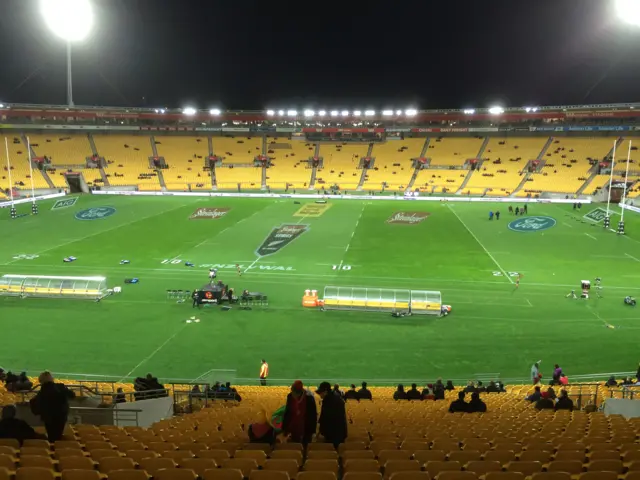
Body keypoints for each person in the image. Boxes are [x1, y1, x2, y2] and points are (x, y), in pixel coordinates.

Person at [29, 372, 75, 442]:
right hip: (60, 416)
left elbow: (35, 405)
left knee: (51, 436)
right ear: (52, 379)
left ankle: (53, 448)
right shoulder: (60, 387)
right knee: (58, 436)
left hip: (48, 417)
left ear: (41, 381)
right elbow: (72, 395)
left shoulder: (42, 393)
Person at [282, 380, 317, 445]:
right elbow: (287, 412)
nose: (293, 395)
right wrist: (285, 429)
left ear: (300, 392)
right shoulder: (290, 396)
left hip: (306, 428)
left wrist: (313, 431)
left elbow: (313, 415)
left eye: (294, 393)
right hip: (294, 427)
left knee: (305, 445)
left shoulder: (309, 398)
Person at [315, 382, 348, 448]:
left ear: (325, 391)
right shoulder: (334, 397)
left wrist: (321, 432)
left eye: (321, 393)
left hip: (334, 434)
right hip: (338, 433)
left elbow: (327, 418)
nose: (320, 395)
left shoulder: (329, 400)